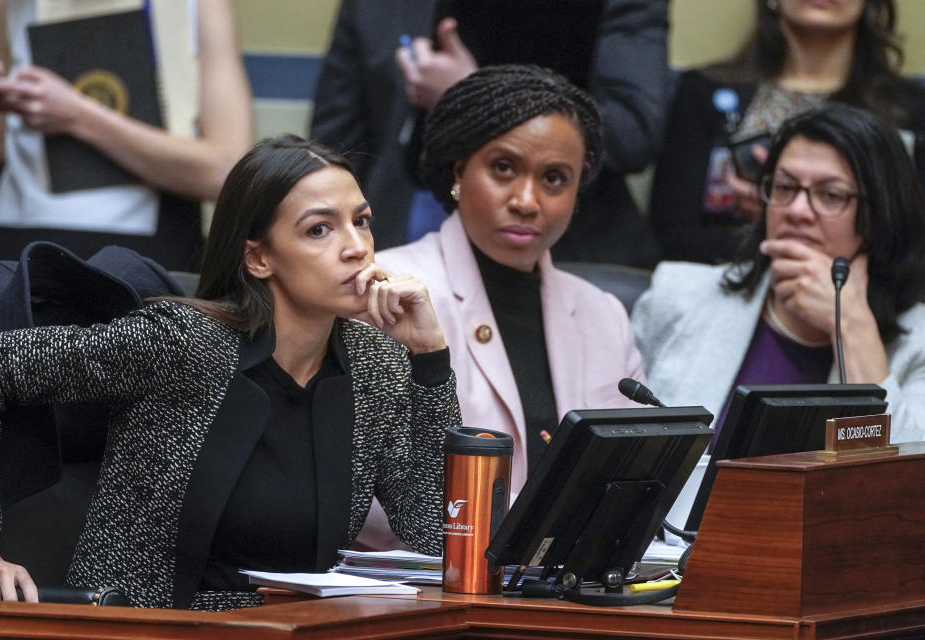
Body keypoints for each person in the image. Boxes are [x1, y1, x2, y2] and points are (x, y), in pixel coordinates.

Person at [0, 135, 461, 610]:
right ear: (259, 257)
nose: (357, 247)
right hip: (146, 626)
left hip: (296, 627)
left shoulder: (378, 364)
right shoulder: (182, 342)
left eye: (363, 221)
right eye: (320, 229)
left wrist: (430, 357)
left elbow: (430, 528)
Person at [357, 66, 643, 551]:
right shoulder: (386, 288)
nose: (526, 200)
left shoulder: (604, 314)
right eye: (504, 168)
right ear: (458, 171)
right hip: (415, 592)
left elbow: (628, 473)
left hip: (563, 589)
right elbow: (358, 495)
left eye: (554, 178)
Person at [633, 104, 925, 445]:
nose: (797, 210)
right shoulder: (677, 294)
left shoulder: (919, 343)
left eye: (830, 195)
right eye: (785, 187)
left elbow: (905, 484)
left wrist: (849, 322)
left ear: (880, 216)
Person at [310, 0, 667, 266]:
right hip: (396, 237)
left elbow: (633, 132)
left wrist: (473, 92)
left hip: (563, 257)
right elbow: (335, 145)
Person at [0, 0, 253, 270]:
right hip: (9, 249)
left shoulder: (199, 6)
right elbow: (0, 182)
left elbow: (228, 173)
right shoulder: (4, 5)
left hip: (137, 257)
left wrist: (78, 116)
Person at [649, 0, 925, 264]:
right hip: (725, 285)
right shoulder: (703, 92)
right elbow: (671, 234)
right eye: (782, 186)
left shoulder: (910, 109)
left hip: (865, 294)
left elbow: (914, 247)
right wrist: (773, 224)